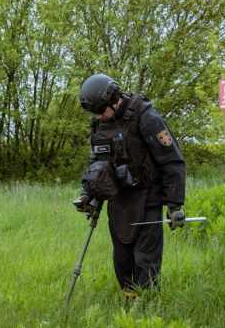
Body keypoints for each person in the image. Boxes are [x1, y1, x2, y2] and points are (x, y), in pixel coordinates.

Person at [74, 73, 186, 294]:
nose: (98, 117)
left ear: (114, 101)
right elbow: (98, 163)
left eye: (100, 111)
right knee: (122, 259)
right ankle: (130, 304)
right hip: (119, 201)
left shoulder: (145, 117)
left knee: (145, 260)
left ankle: (148, 307)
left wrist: (175, 205)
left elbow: (172, 160)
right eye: (94, 113)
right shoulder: (99, 124)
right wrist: (89, 195)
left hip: (148, 198)